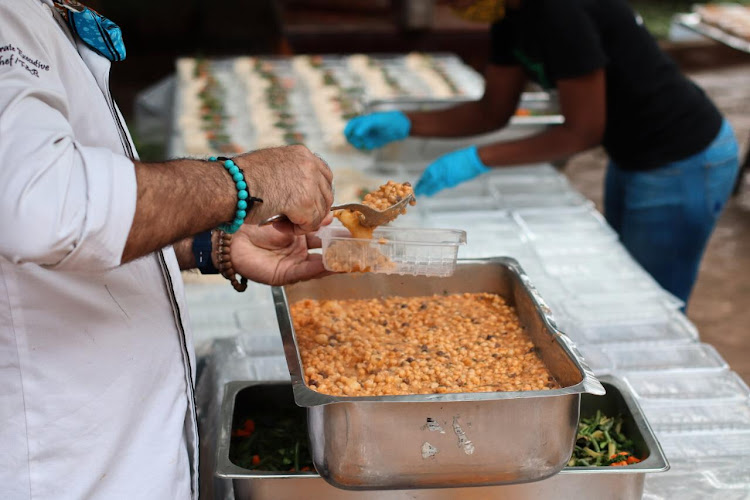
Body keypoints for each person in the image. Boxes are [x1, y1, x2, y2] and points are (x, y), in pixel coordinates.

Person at [0, 1, 333, 498]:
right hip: (58, 467)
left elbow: (66, 218)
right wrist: (244, 180)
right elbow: (44, 208)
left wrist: (208, 243)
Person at [345, 0, 740, 305]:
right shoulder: (512, 17)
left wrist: (477, 159)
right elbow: (492, 110)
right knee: (630, 269)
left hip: (684, 154)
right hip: (633, 153)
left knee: (653, 292)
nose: (447, 6)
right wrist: (406, 122)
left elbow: (581, 132)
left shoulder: (559, 11)